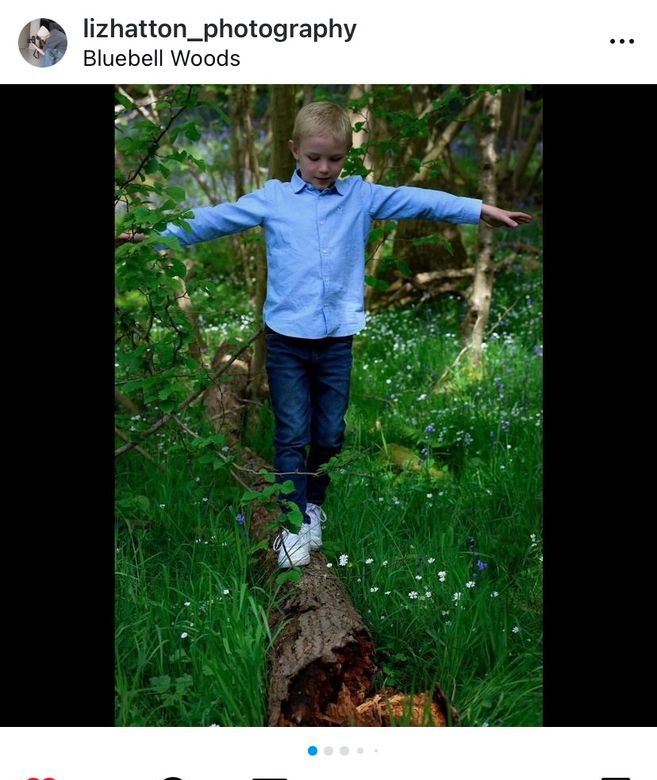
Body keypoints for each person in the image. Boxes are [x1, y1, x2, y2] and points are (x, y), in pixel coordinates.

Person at [156, 102, 531, 567]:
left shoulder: (361, 196)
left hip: (336, 342)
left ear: (346, 156)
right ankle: (292, 524)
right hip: (287, 340)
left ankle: (313, 505)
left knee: (330, 434)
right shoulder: (273, 198)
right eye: (314, 158)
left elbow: (422, 199)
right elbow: (212, 220)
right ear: (294, 150)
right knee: (292, 432)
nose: (323, 168)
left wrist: (480, 210)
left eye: (334, 159)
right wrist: (149, 235)